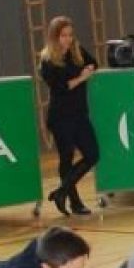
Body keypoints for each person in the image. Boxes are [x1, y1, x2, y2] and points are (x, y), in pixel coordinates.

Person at [38, 16, 100, 216]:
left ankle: (61, 192)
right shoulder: (47, 60)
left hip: (79, 113)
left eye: (70, 35)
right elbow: (61, 88)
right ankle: (75, 202)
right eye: (63, 36)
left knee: (92, 154)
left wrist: (89, 68)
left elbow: (93, 62)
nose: (68, 39)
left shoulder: (76, 51)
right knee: (67, 158)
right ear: (54, 37)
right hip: (61, 117)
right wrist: (82, 77)